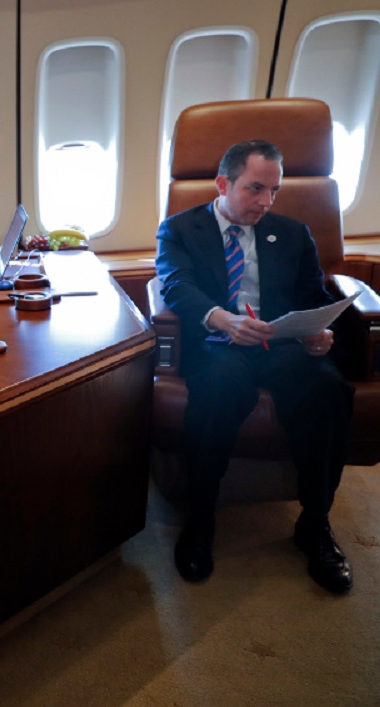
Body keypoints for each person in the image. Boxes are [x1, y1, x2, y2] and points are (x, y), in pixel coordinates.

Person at [155, 139, 355, 593]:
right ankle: (201, 517)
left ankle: (315, 522)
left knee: (328, 390)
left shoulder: (293, 233)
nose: (266, 202)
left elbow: (313, 296)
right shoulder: (180, 229)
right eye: (255, 188)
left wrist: (320, 331)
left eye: (275, 191)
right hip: (220, 343)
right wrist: (220, 317)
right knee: (220, 387)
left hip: (281, 343)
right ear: (223, 184)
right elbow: (176, 285)